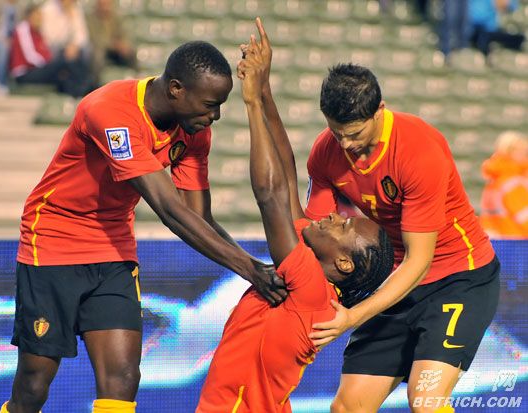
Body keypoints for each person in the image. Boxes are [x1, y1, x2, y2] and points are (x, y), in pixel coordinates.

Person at [0, 40, 287, 413]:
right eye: (210, 105)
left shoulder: (194, 130)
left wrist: (256, 267)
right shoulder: (110, 111)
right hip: (53, 242)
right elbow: (168, 209)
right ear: (176, 89)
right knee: (34, 385)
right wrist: (250, 269)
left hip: (113, 247)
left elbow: (198, 216)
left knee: (123, 378)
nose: (215, 116)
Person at [196, 19, 394, 413]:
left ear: (343, 262)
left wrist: (252, 104)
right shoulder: (315, 277)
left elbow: (270, 195)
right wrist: (264, 88)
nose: (334, 216)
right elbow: (287, 177)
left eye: (344, 225)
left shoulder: (310, 287)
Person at [302, 63, 500, 411]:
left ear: (379, 110)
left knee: (425, 402)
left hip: (459, 279)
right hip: (396, 280)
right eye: (336, 132)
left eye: (354, 133)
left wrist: (354, 316)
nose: (345, 144)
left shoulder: (418, 150)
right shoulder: (325, 151)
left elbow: (419, 260)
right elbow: (315, 235)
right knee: (346, 408)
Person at [9, 3, 92, 97]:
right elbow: (30, 56)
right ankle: (88, 86)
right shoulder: (23, 29)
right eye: (36, 16)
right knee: (64, 61)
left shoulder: (37, 32)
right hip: (25, 73)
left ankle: (78, 95)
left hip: (38, 69)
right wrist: (49, 65)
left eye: (40, 17)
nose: (39, 19)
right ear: (29, 17)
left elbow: (46, 52)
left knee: (64, 76)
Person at [480, 130, 528, 239]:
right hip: (517, 241)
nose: (525, 155)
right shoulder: (512, 182)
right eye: (522, 151)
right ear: (510, 152)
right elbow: (524, 217)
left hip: (498, 241)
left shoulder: (494, 180)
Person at [86, 0, 137, 87]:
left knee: (130, 51)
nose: (105, 7)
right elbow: (96, 39)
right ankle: (95, 85)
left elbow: (123, 34)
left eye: (107, 4)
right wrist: (113, 45)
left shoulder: (116, 18)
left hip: (116, 51)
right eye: (102, 4)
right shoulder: (90, 19)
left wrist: (123, 44)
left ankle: (136, 81)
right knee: (98, 55)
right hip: (101, 50)